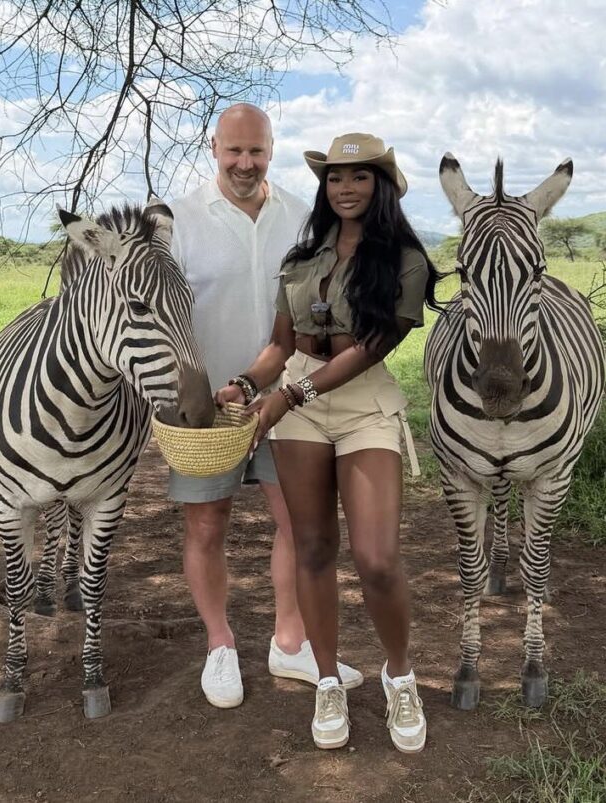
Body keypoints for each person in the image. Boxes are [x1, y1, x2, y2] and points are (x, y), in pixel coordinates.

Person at [216, 133, 442, 752]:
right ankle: (326, 680)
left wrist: (288, 397)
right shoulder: (301, 259)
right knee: (313, 548)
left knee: (377, 558)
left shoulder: (404, 261)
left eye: (359, 176)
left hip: (362, 405)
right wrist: (246, 385)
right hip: (299, 407)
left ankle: (400, 677)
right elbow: (280, 345)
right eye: (335, 177)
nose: (345, 188)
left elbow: (371, 349)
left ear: (381, 185)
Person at [168, 105, 363, 710]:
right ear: (214, 148)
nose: (245, 163)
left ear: (272, 150)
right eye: (234, 150)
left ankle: (289, 641)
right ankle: (220, 644)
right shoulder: (176, 221)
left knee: (300, 525)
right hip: (208, 405)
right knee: (206, 525)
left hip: (289, 398)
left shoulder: (303, 220)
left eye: (256, 150)